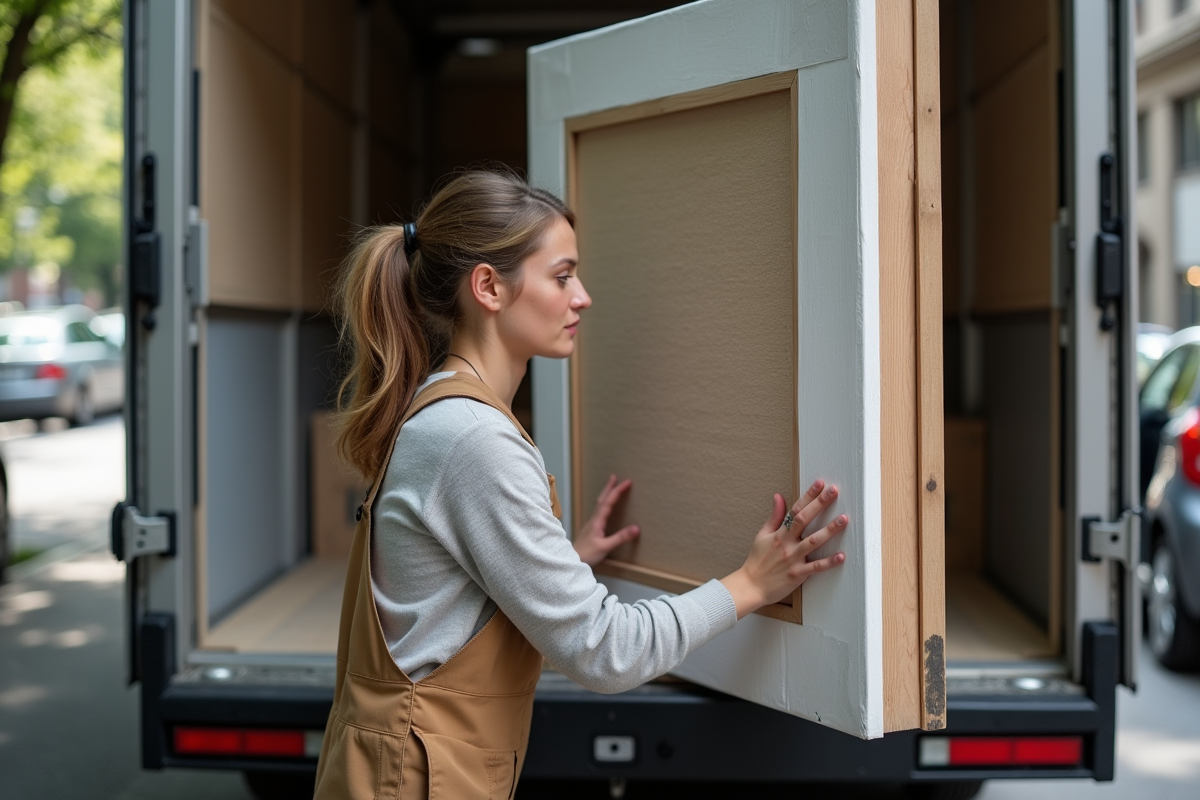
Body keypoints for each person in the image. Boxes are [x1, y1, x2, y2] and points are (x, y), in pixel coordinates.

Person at [313, 168, 848, 799]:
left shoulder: (445, 409)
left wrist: (562, 559)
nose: (582, 296)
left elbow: (439, 602)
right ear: (488, 287)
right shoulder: (474, 439)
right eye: (562, 276)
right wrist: (750, 583)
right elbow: (604, 652)